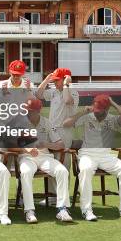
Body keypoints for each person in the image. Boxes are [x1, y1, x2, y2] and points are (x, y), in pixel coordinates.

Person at [63, 95, 121, 222]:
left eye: (99, 111)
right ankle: (86, 210)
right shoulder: (87, 116)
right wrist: (82, 112)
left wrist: (112, 102)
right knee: (85, 169)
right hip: (87, 154)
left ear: (107, 110)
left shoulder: (112, 119)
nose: (96, 113)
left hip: (105, 156)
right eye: (95, 109)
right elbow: (66, 124)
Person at [9, 98, 73, 223]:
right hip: (26, 158)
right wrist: (26, 150)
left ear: (39, 111)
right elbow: (10, 144)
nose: (28, 113)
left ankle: (62, 209)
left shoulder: (47, 123)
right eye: (27, 111)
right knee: (26, 172)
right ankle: (29, 210)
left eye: (31, 111)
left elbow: (60, 144)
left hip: (45, 157)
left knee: (62, 171)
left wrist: (46, 144)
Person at [36, 67, 78, 205]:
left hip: (64, 131)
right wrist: (47, 79)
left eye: (57, 80)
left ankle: (63, 197)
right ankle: (52, 196)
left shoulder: (72, 92)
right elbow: (38, 94)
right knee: (51, 162)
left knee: (63, 163)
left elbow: (67, 101)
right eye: (54, 80)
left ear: (65, 79)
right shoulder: (54, 92)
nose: (54, 83)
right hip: (51, 131)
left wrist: (66, 84)